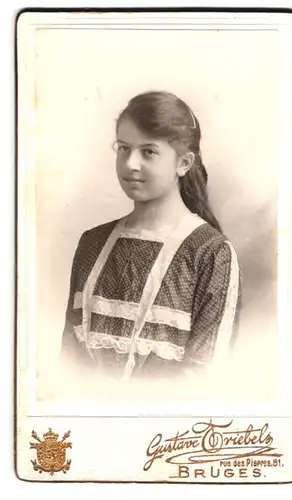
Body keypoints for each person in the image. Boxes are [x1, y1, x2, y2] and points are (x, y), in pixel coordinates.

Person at [60, 90, 242, 384]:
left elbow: (205, 378)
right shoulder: (92, 244)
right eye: (123, 148)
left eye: (149, 151)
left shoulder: (210, 253)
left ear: (183, 163)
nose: (131, 164)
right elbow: (68, 364)